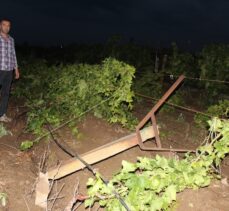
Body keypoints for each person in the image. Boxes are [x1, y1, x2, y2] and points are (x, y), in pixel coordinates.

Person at [0, 18, 20, 122]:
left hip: (9, 71)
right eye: (4, 25)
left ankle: (1, 114)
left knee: (6, 93)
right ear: (0, 26)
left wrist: (16, 69)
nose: (6, 27)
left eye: (8, 26)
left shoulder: (11, 40)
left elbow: (13, 55)